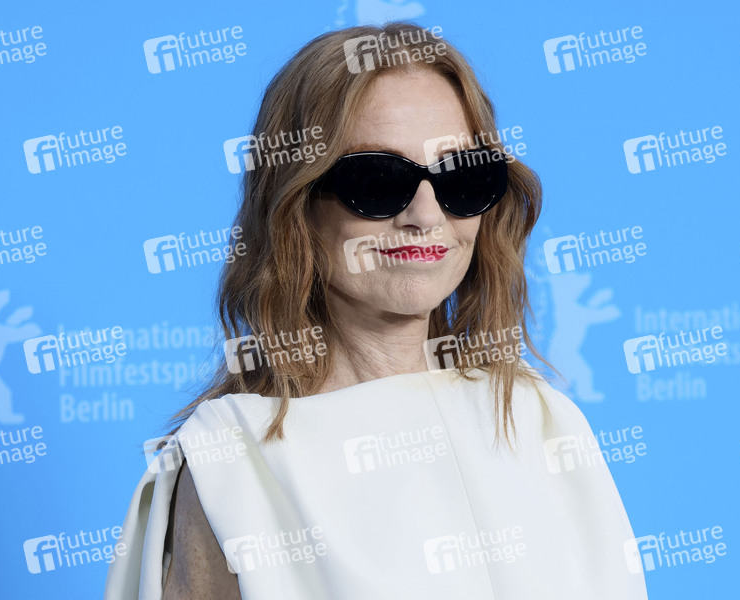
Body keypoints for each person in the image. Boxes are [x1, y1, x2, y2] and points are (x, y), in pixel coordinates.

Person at [105, 22, 648, 600]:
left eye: (462, 177)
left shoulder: (543, 422)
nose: (425, 215)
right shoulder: (232, 464)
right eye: (377, 180)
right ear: (295, 206)